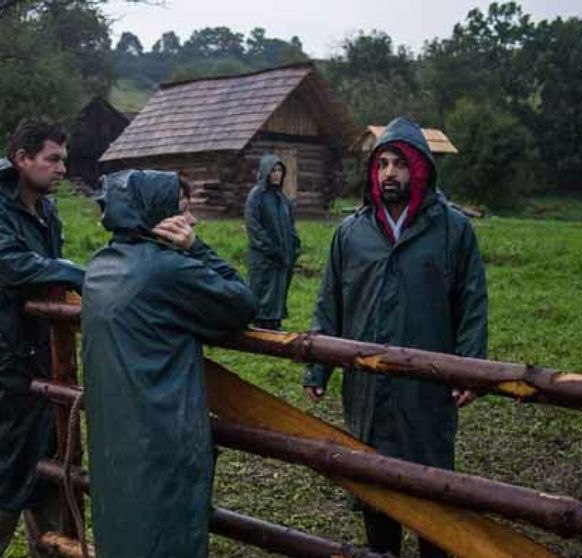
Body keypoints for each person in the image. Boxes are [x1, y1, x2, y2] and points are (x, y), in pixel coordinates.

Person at [303, 117, 487, 558]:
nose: (390, 173)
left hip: (428, 384)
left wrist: (470, 367)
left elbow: (472, 302)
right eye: (382, 163)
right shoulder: (351, 233)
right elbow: (330, 303)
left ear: (420, 169)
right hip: (367, 385)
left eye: (400, 164)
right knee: (375, 482)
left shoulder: (452, 230)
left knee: (431, 486)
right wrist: (318, 366)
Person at [82, 170, 257, 558]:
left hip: (116, 440)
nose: (191, 220)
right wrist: (196, 248)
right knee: (168, 538)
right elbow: (242, 303)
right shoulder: (167, 269)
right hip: (162, 438)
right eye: (181, 210)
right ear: (156, 215)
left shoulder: (101, 265)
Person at [0, 120, 86, 557]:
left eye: (64, 160)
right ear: (22, 159)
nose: (62, 168)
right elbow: (12, 266)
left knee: (51, 476)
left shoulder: (46, 211)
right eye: (53, 159)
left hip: (43, 359)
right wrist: (73, 272)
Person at [245, 154, 301, 330]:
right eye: (273, 171)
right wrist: (270, 249)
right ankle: (261, 325)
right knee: (263, 295)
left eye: (279, 171)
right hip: (264, 258)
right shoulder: (256, 196)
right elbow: (254, 227)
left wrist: (295, 245)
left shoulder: (282, 199)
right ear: (265, 172)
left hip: (283, 258)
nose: (276, 174)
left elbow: (290, 225)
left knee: (278, 294)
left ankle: (275, 323)